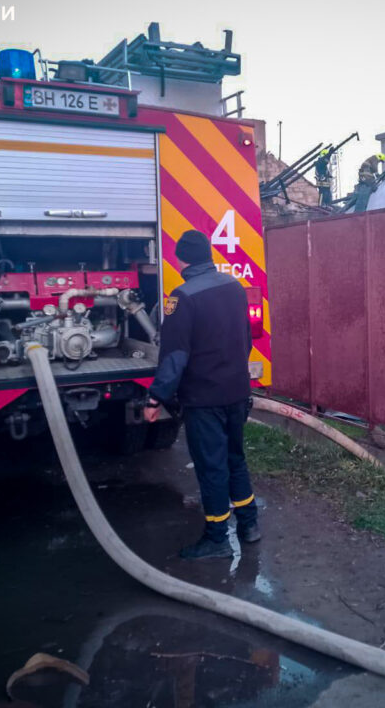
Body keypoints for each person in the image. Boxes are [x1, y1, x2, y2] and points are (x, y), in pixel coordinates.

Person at [143, 229, 259, 559]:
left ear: (182, 259)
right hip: (237, 392)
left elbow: (174, 358)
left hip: (205, 399)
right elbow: (246, 339)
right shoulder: (234, 287)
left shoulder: (182, 297)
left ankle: (217, 538)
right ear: (208, 255)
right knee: (235, 458)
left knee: (211, 468)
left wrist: (155, 399)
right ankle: (249, 525)